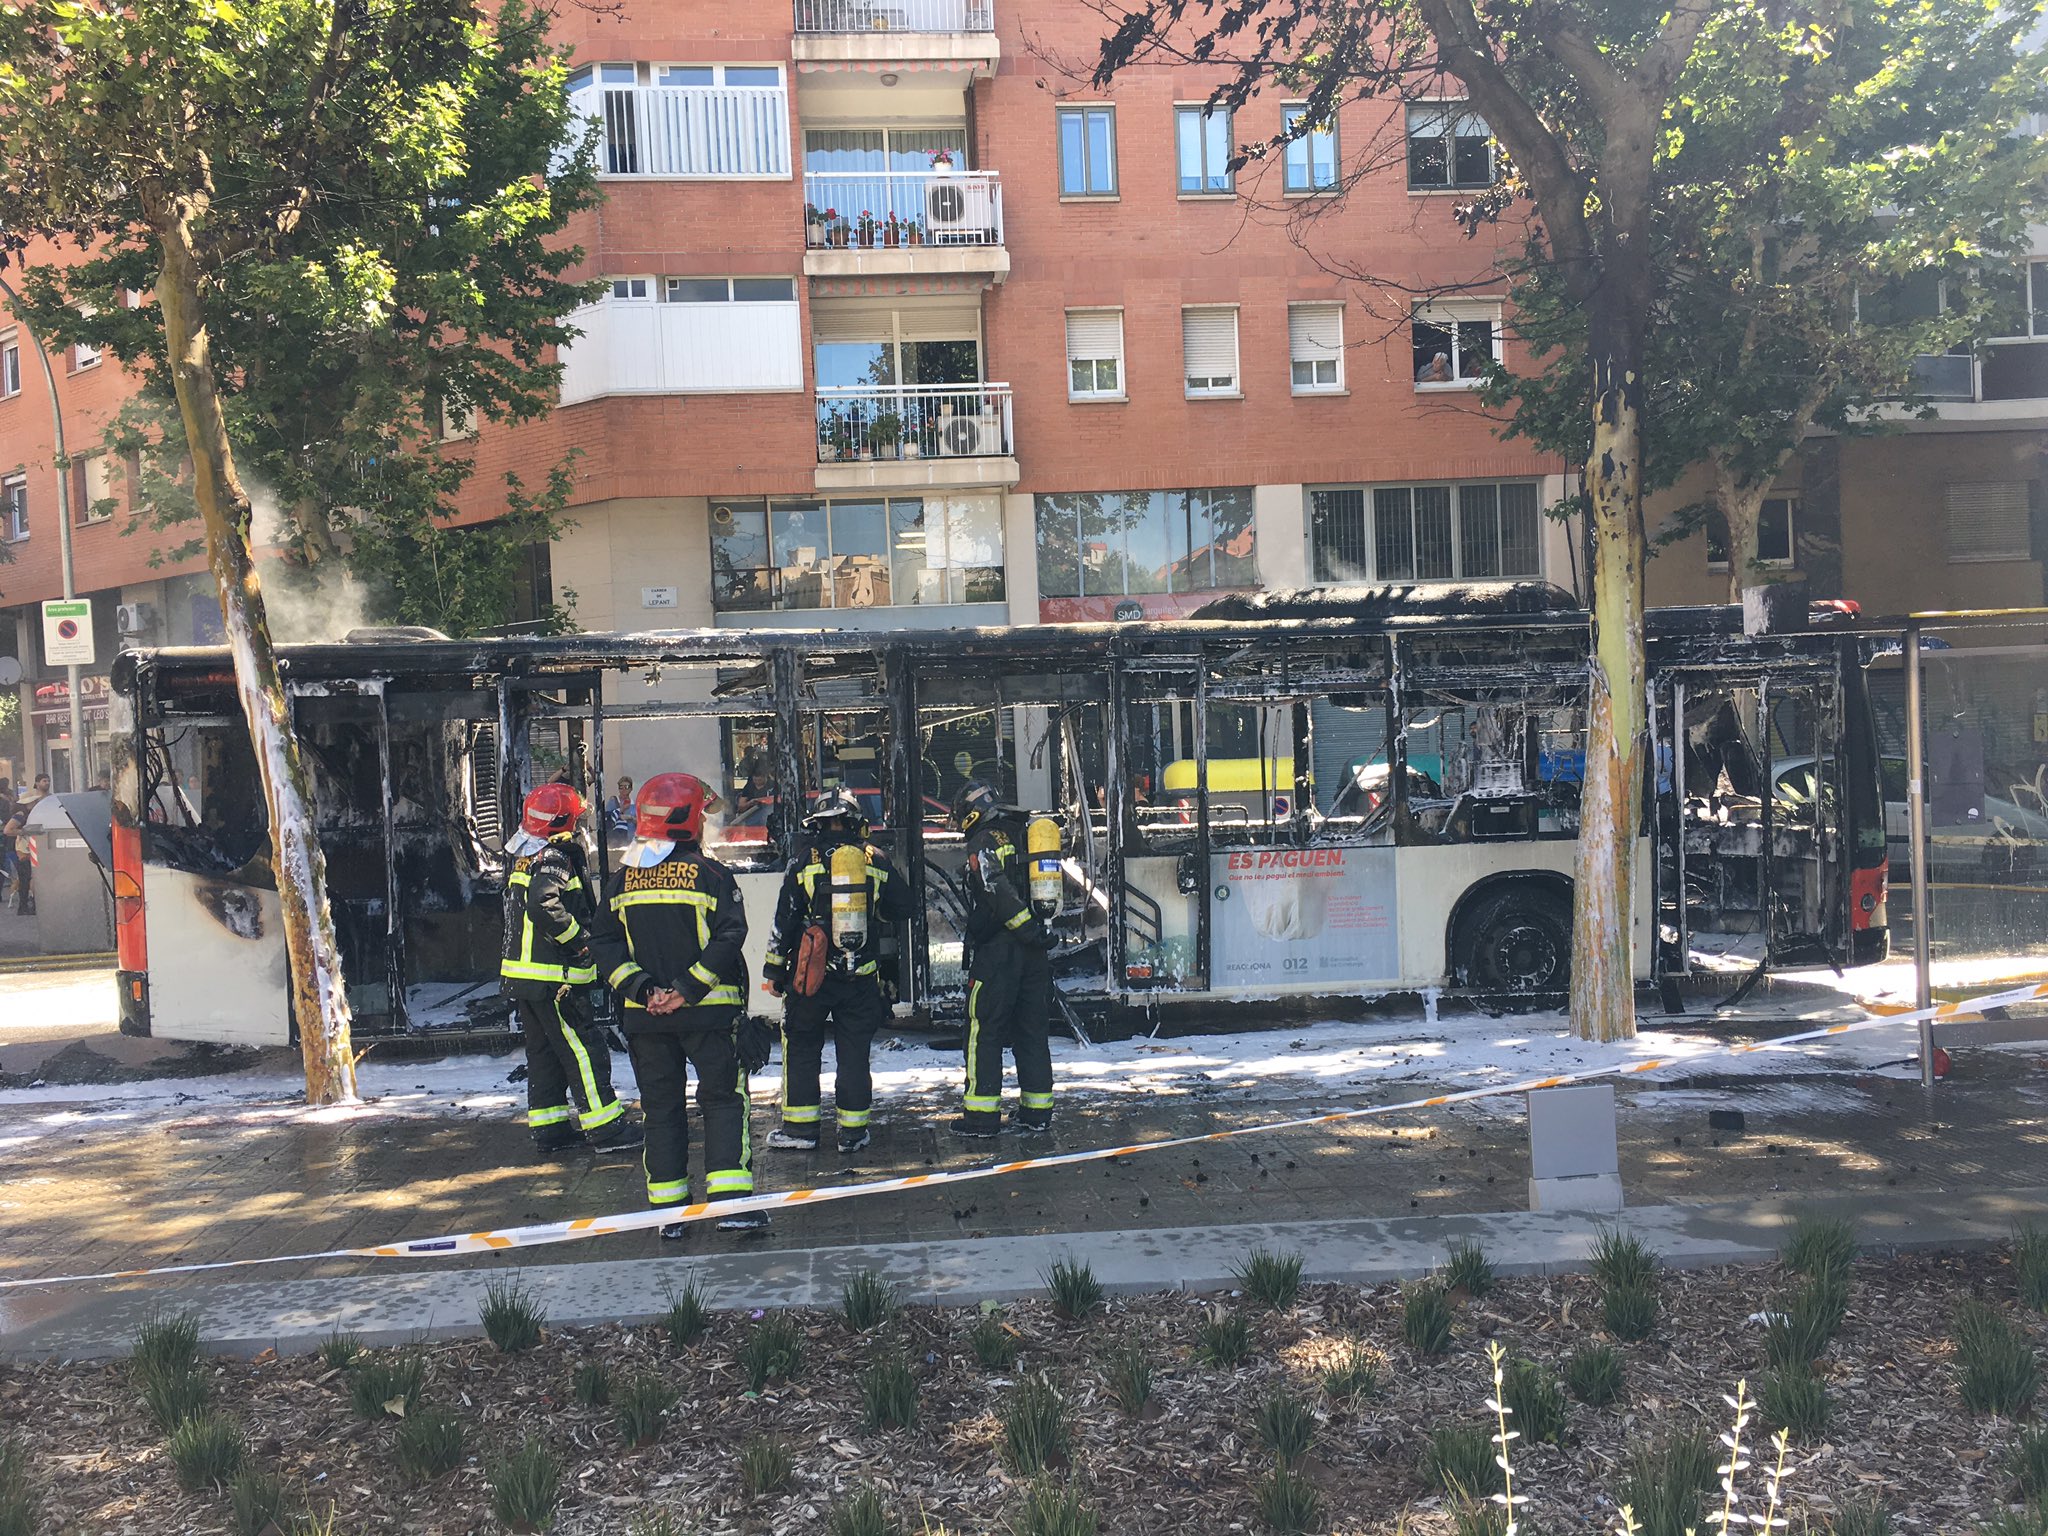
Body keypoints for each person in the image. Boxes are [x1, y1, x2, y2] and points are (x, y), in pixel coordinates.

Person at [592, 772, 766, 1239]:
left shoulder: (621, 879)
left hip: (645, 1019)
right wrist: (686, 990)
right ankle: (731, 1206)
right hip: (709, 1015)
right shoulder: (712, 875)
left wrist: (646, 990)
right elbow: (731, 935)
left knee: (661, 1108)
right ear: (687, 821)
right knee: (725, 1102)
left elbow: (603, 942)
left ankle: (669, 1213)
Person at [763, 790, 912, 1155]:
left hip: (811, 976)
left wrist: (774, 971)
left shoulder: (804, 861)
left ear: (818, 824)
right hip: (861, 976)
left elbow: (785, 919)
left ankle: (800, 1130)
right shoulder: (875, 858)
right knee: (854, 1052)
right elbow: (904, 906)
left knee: (800, 1046)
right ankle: (853, 1132)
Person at [500, 782, 641, 1158]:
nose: (581, 825)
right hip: (554, 979)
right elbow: (544, 904)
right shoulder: (555, 857)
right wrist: (580, 940)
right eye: (577, 818)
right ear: (564, 821)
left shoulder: (525, 856)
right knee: (584, 1050)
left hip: (526, 978)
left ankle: (551, 1129)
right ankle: (607, 1130)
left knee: (545, 1053)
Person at [948, 780, 1055, 1139]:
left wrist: (1022, 929)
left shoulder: (985, 840)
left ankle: (981, 1118)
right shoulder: (1026, 833)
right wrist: (1036, 935)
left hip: (1000, 951)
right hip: (1035, 952)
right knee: (1032, 1032)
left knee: (984, 1031)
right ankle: (1036, 1112)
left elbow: (996, 889)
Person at [603, 776, 635, 841]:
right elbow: (607, 817)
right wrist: (621, 809)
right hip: (616, 838)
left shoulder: (633, 804)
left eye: (626, 787)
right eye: (621, 787)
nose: (623, 790)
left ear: (631, 789)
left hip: (631, 839)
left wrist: (631, 818)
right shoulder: (614, 801)